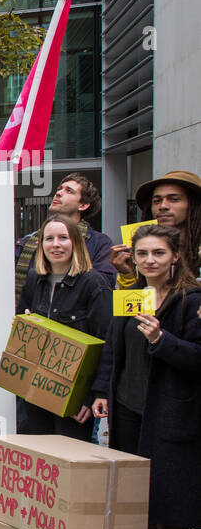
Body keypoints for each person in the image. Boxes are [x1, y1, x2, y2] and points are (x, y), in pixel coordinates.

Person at [91, 224, 201, 529]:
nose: (149, 260)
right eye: (142, 254)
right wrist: (102, 390)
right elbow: (114, 345)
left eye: (158, 253)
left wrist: (162, 339)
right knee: (137, 498)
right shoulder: (133, 294)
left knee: (170, 500)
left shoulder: (191, 299)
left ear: (176, 256)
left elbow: (197, 357)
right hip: (128, 408)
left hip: (171, 415)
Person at [15, 213, 111, 441]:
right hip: (36, 390)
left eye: (63, 238)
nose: (55, 245)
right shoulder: (33, 280)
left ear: (75, 243)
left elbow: (107, 343)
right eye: (49, 239)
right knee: (40, 454)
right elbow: (23, 324)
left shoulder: (94, 284)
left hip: (75, 396)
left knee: (71, 461)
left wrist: (92, 396)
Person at [14, 174, 115, 305]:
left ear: (83, 205)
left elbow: (102, 289)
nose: (59, 193)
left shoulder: (99, 243)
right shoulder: (28, 242)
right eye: (59, 189)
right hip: (35, 319)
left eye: (69, 191)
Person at [109, 171, 201, 287]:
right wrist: (127, 275)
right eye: (157, 201)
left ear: (194, 204)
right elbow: (139, 302)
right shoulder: (139, 244)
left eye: (174, 199)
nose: (163, 206)